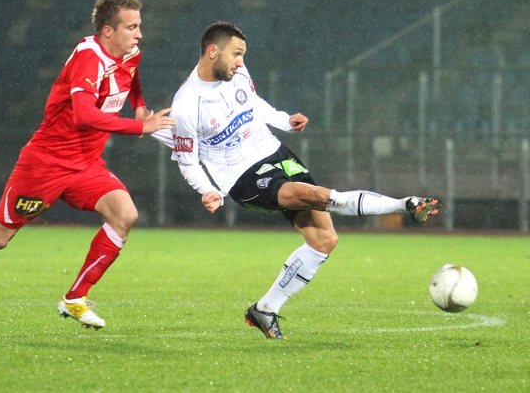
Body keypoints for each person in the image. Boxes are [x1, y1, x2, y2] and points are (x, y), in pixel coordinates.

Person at [0, 0, 176, 337]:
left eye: (140, 26)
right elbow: (85, 114)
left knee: (125, 215)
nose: (139, 34)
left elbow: (131, 78)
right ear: (108, 31)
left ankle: (75, 298)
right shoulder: (89, 60)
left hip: (86, 163)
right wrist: (141, 126)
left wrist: (139, 105)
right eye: (132, 27)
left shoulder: (129, 53)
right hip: (45, 165)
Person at [167, 21, 439, 340]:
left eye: (243, 55)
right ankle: (404, 203)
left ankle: (264, 310)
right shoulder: (186, 105)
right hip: (243, 177)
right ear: (213, 51)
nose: (241, 62)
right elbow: (187, 160)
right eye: (236, 54)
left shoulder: (237, 74)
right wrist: (208, 189)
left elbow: (254, 106)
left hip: (276, 152)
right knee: (316, 195)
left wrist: (284, 120)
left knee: (325, 240)